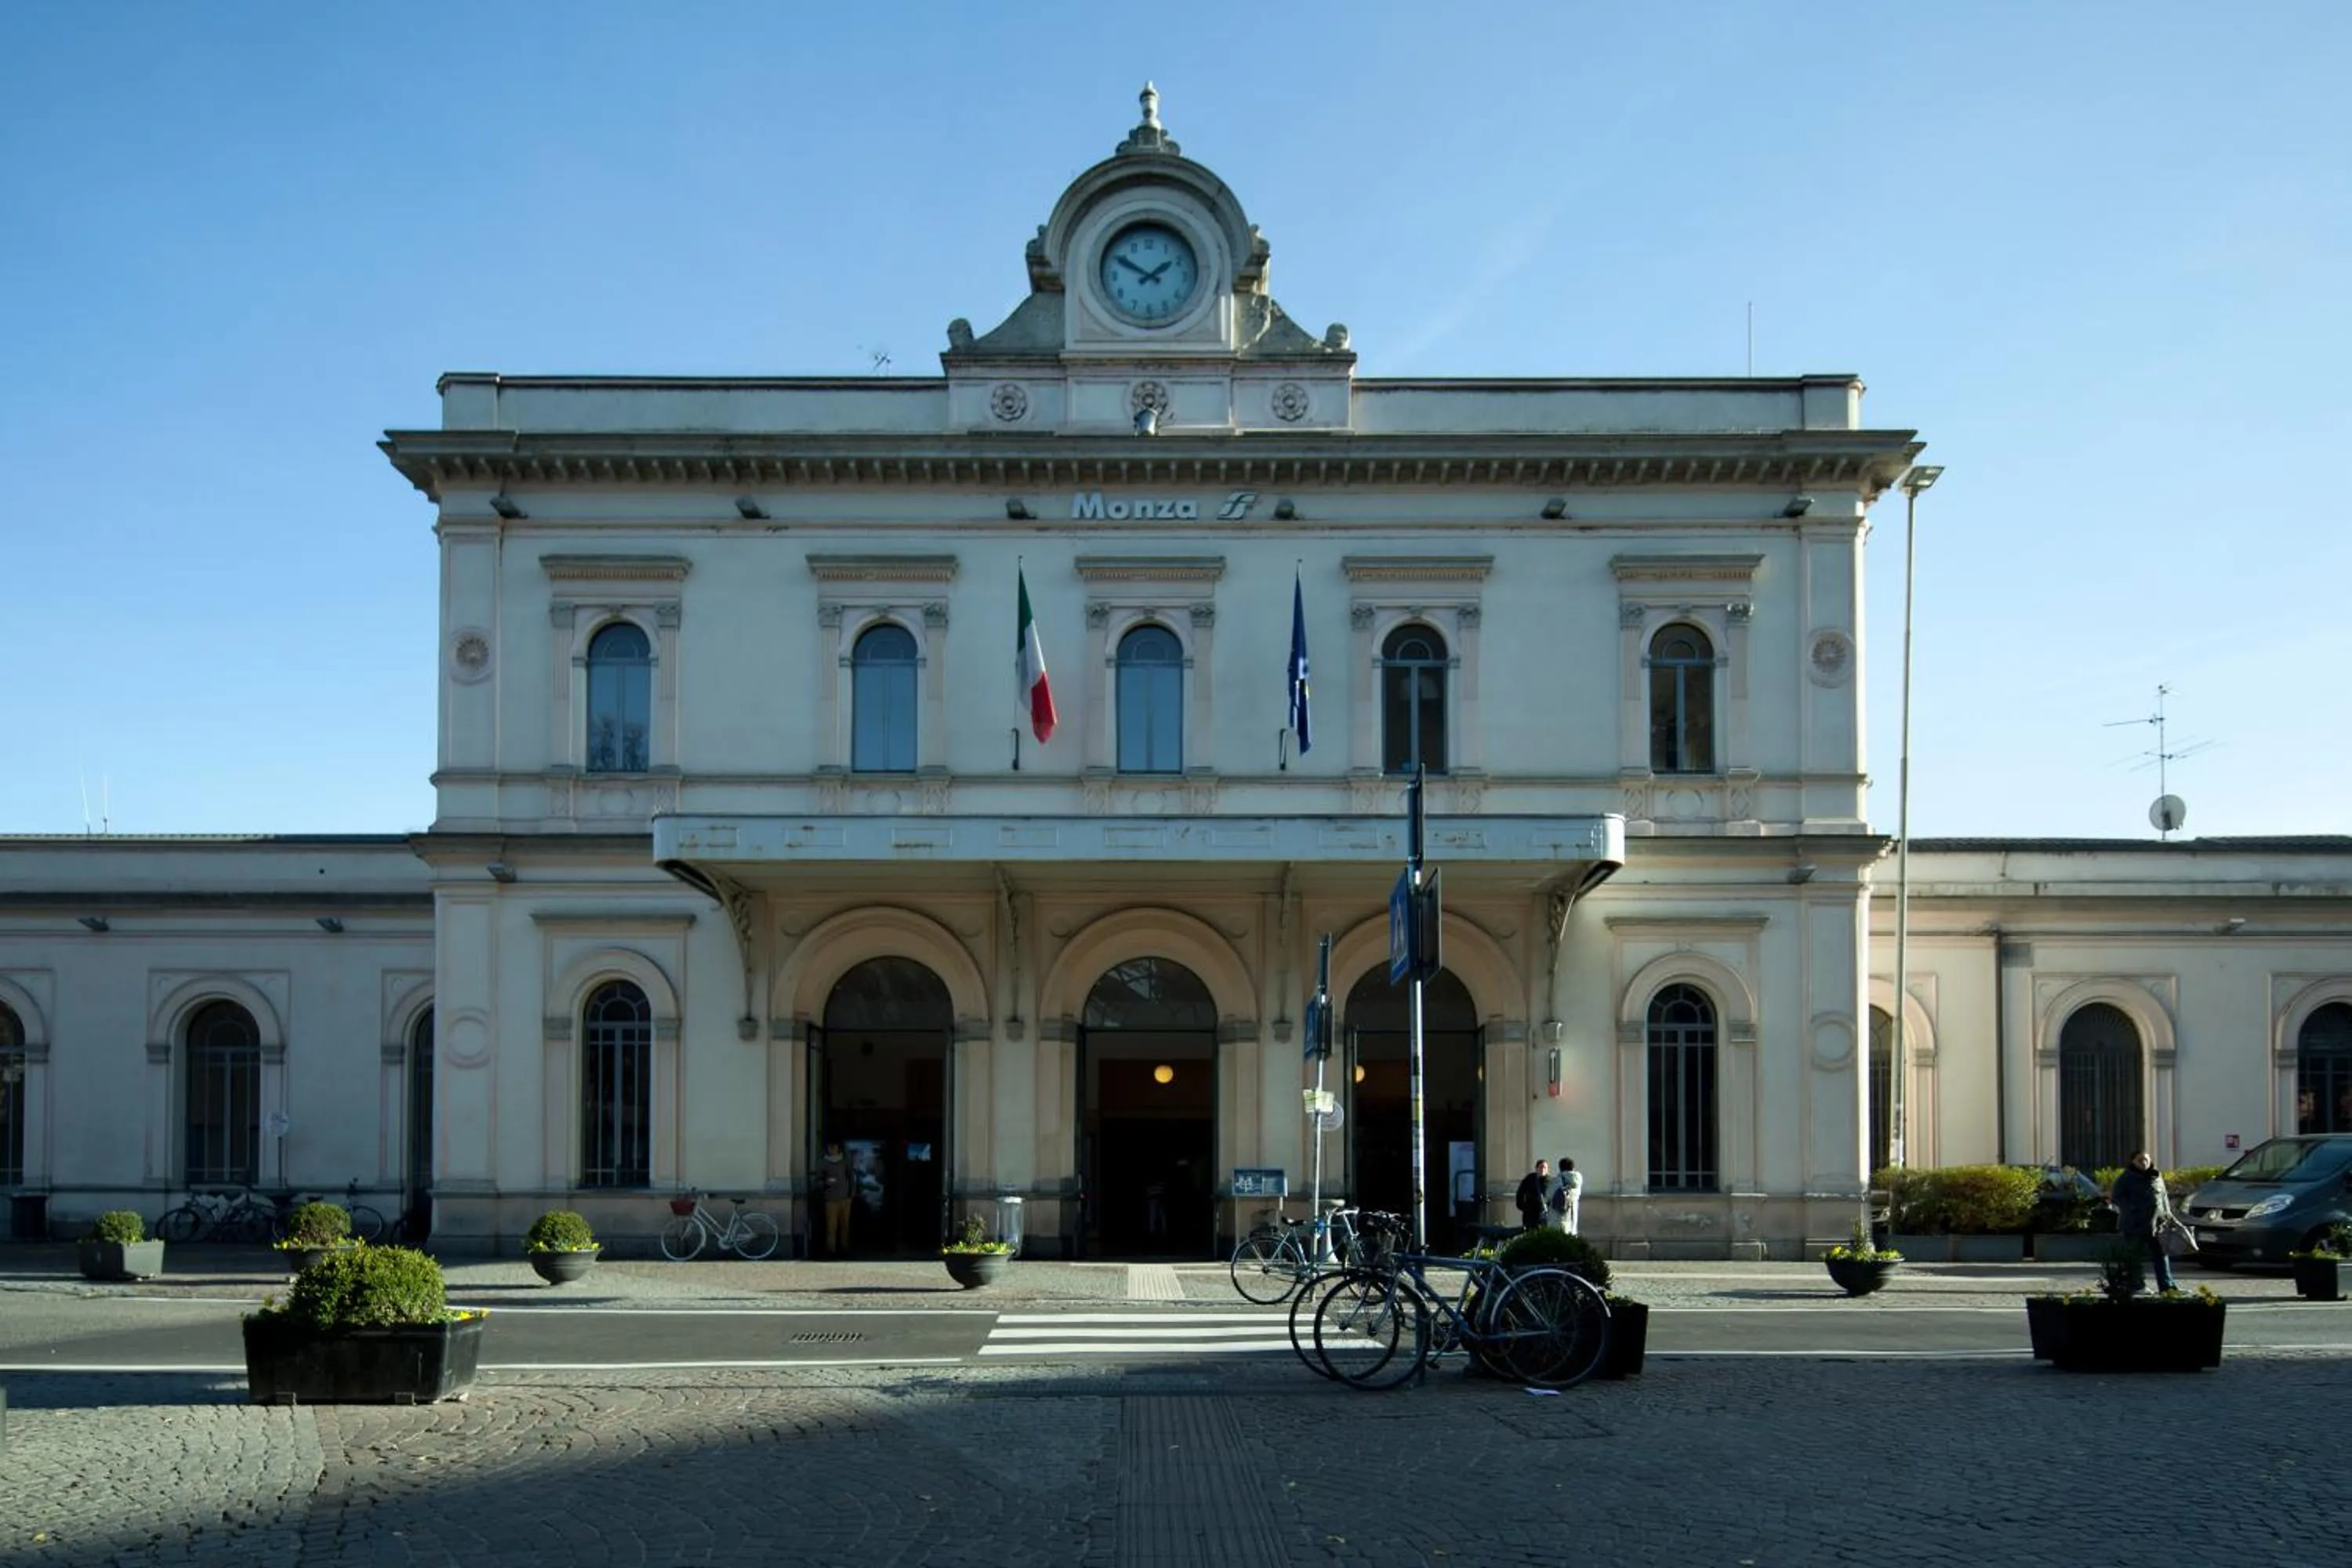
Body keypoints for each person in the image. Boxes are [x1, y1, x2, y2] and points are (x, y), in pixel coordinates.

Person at [2111, 1149, 2177, 1293]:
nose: (2144, 1162)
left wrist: (2168, 1214)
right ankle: (2137, 1285)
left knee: (2161, 1255)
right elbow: (2116, 1197)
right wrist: (2132, 1208)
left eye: (2146, 1159)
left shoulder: (2157, 1176)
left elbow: (2163, 1197)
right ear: (2133, 1161)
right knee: (2134, 1256)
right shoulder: (2127, 1177)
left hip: (2156, 1224)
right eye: (2140, 1160)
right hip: (2135, 1224)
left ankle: (2167, 1286)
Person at [818, 1141, 853, 1257]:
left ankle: (845, 1249)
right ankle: (831, 1250)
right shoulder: (823, 1162)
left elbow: (851, 1178)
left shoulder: (845, 1161)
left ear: (838, 1148)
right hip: (831, 1199)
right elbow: (818, 1180)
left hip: (844, 1199)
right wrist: (826, 1182)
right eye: (830, 1146)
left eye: (834, 1146)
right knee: (831, 1227)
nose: (832, 1149)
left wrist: (851, 1195)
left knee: (845, 1226)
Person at [1515, 1158, 1552, 1231]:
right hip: (1530, 1213)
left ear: (1547, 1170)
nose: (1543, 1169)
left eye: (1545, 1167)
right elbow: (1520, 1193)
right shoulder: (1530, 1179)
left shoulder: (1550, 1181)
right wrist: (1523, 1206)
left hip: (1545, 1213)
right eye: (1541, 1167)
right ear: (1536, 1168)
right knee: (1530, 1232)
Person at [1551, 1156, 1584, 1236]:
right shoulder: (1578, 1179)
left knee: (1560, 1236)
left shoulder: (1559, 1179)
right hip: (1573, 1211)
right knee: (1572, 1234)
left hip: (1559, 1214)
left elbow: (1549, 1195)